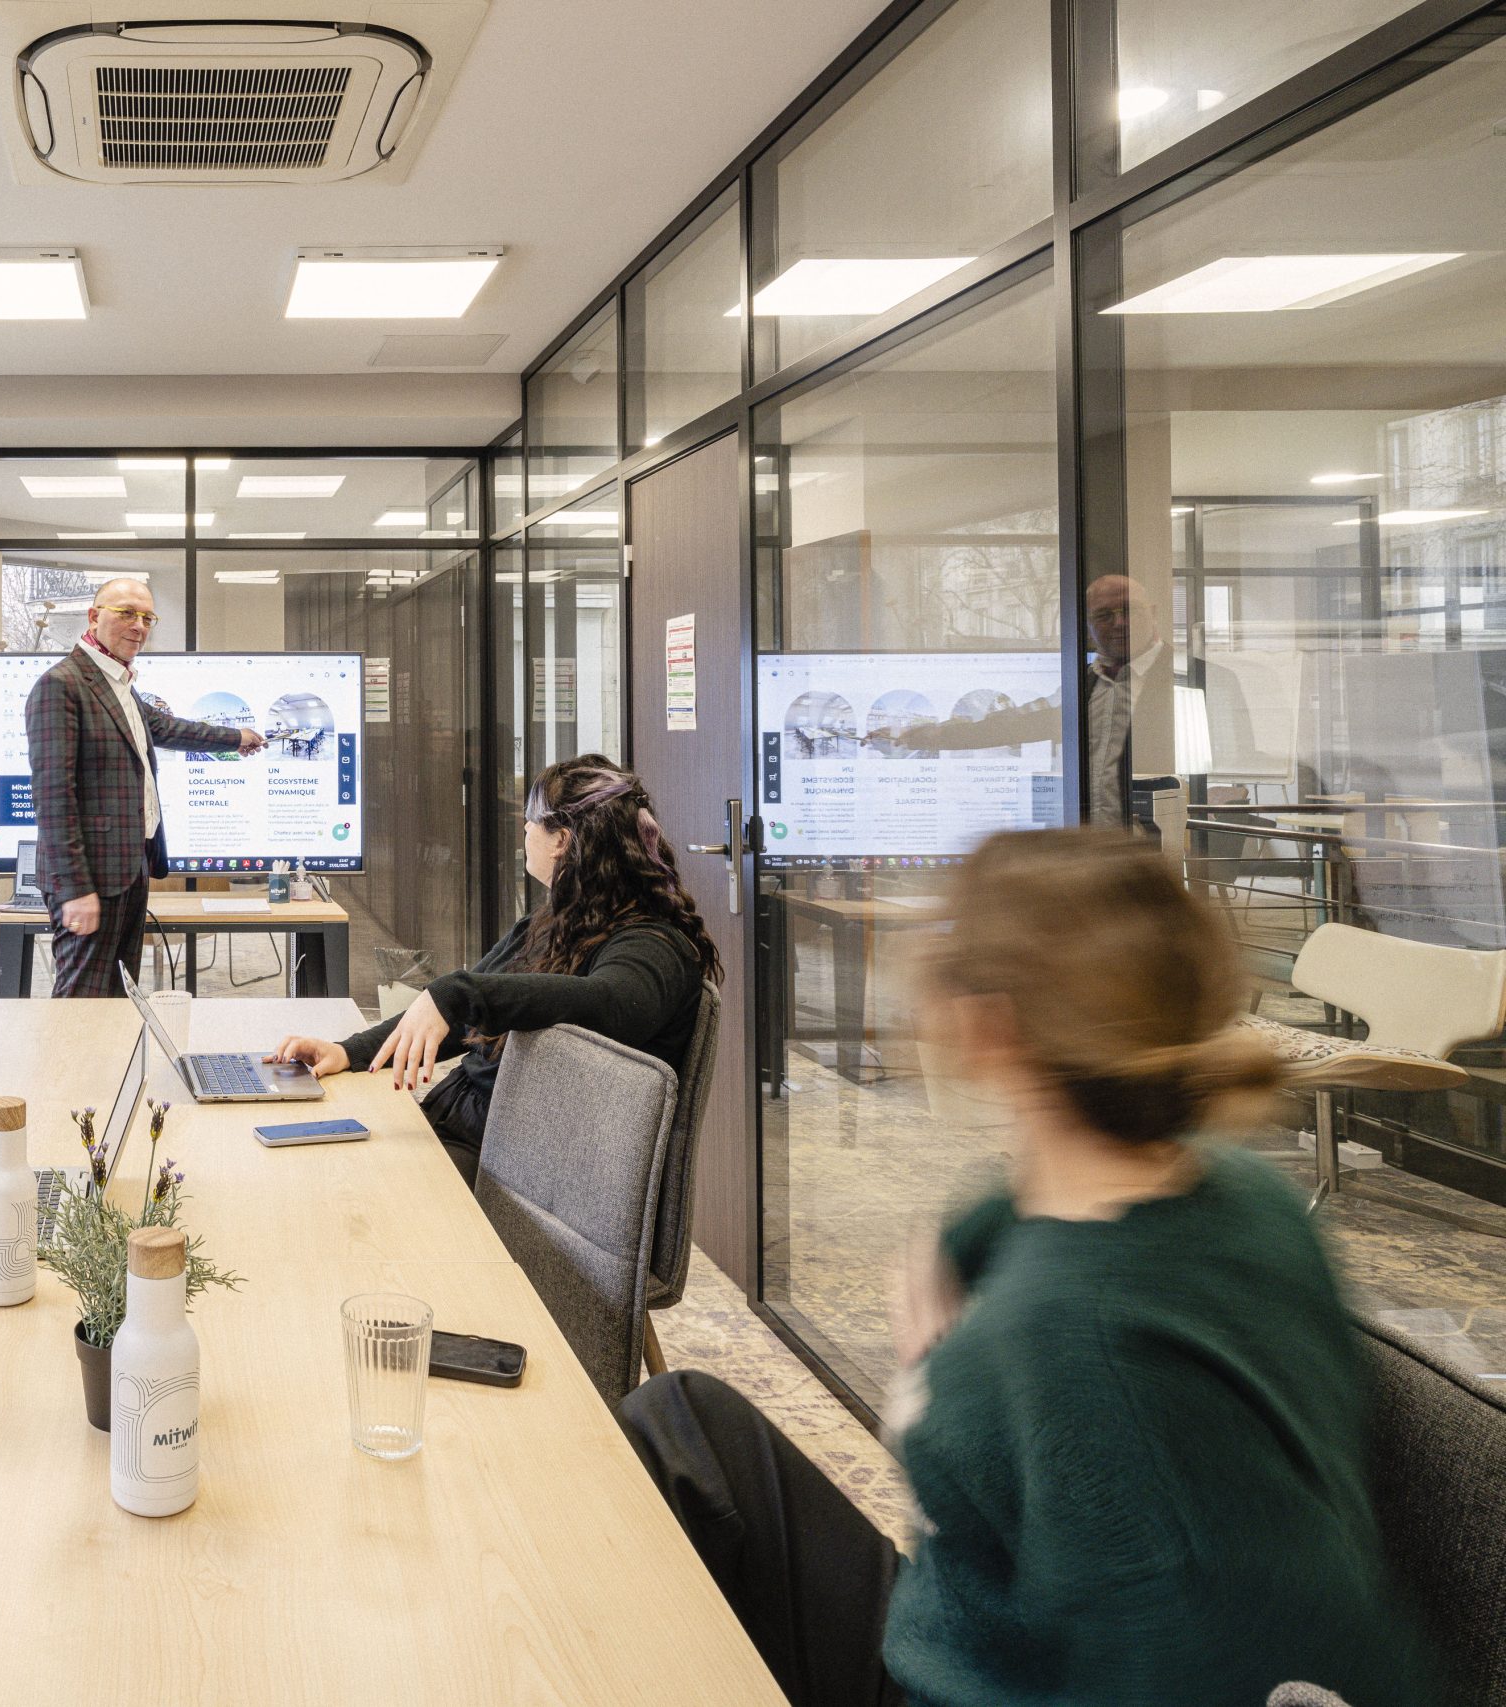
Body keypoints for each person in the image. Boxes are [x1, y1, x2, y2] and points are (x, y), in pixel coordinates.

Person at [618, 827, 1435, 1707]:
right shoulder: (1245, 1194)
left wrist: (936, 1388)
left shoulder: (1057, 1344)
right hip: (996, 1621)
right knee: (685, 1417)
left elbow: (1167, 1652)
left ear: (988, 1026)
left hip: (988, 1682)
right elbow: (1012, 1215)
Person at [269, 754, 719, 1184]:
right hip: (474, 1130)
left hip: (518, 1168)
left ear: (562, 839)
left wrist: (461, 991)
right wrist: (347, 1052)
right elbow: (455, 1017)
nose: (523, 828)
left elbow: (615, 1002)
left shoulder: (653, 943)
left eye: (532, 820)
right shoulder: (557, 923)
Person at [24, 576, 264, 997]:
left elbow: (165, 727)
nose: (139, 626)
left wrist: (236, 737)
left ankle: (110, 1066)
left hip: (128, 867)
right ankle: (76, 1067)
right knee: (83, 1001)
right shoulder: (61, 685)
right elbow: (53, 797)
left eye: (147, 617)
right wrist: (76, 889)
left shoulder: (118, 685)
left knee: (118, 994)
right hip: (92, 879)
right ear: (95, 616)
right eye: (127, 613)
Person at [897, 575, 1169, 827]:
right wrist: (936, 736)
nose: (1120, 623)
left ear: (1153, 614)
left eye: (1130, 611)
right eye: (1104, 615)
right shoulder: (1085, 683)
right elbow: (1017, 725)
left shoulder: (1180, 679)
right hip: (1092, 850)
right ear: (1087, 624)